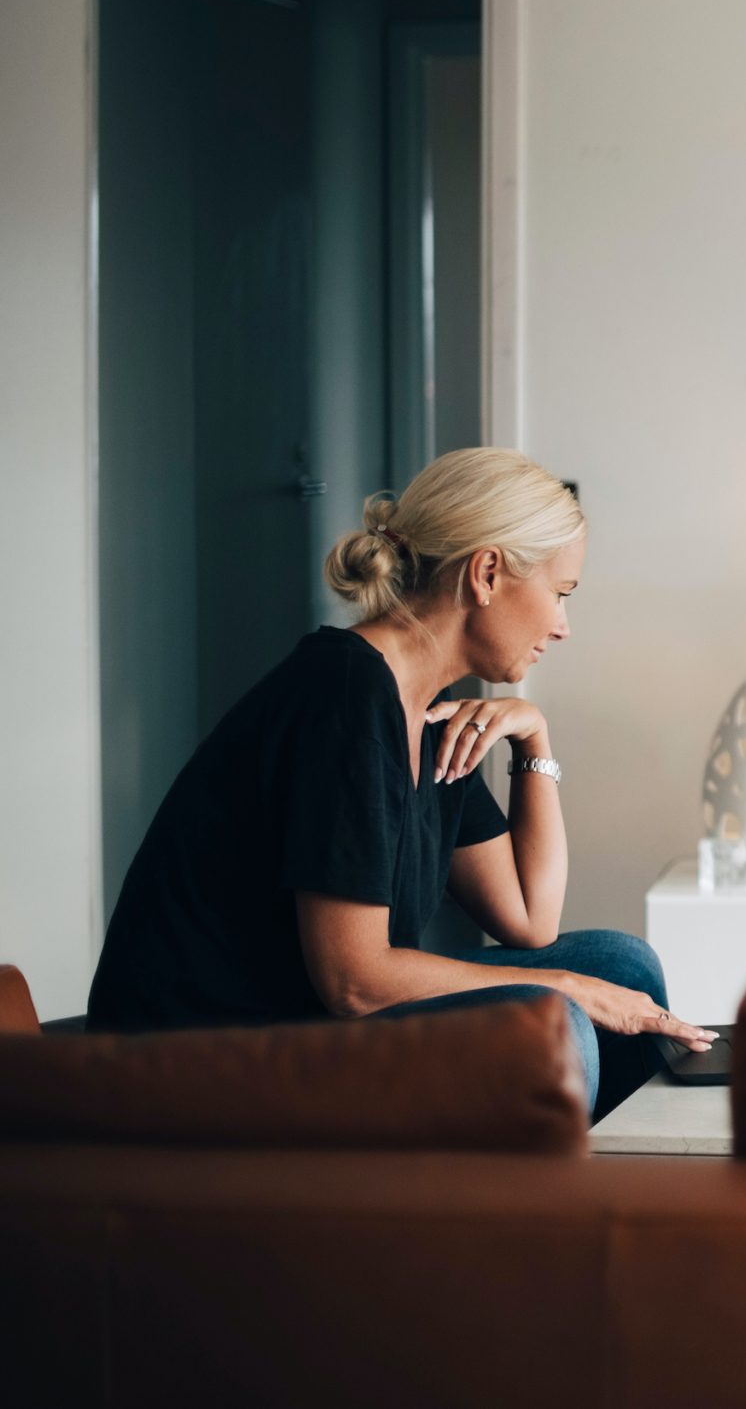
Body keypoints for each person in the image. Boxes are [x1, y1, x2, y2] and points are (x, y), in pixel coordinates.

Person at [86, 447, 712, 1120]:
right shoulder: (345, 697)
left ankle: (571, 1199)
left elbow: (532, 918)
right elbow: (354, 979)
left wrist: (534, 739)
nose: (562, 626)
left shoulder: (429, 716)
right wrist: (565, 989)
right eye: (560, 594)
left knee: (623, 967)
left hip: (301, 1024)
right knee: (557, 1024)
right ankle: (530, 1220)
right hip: (202, 1059)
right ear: (488, 572)